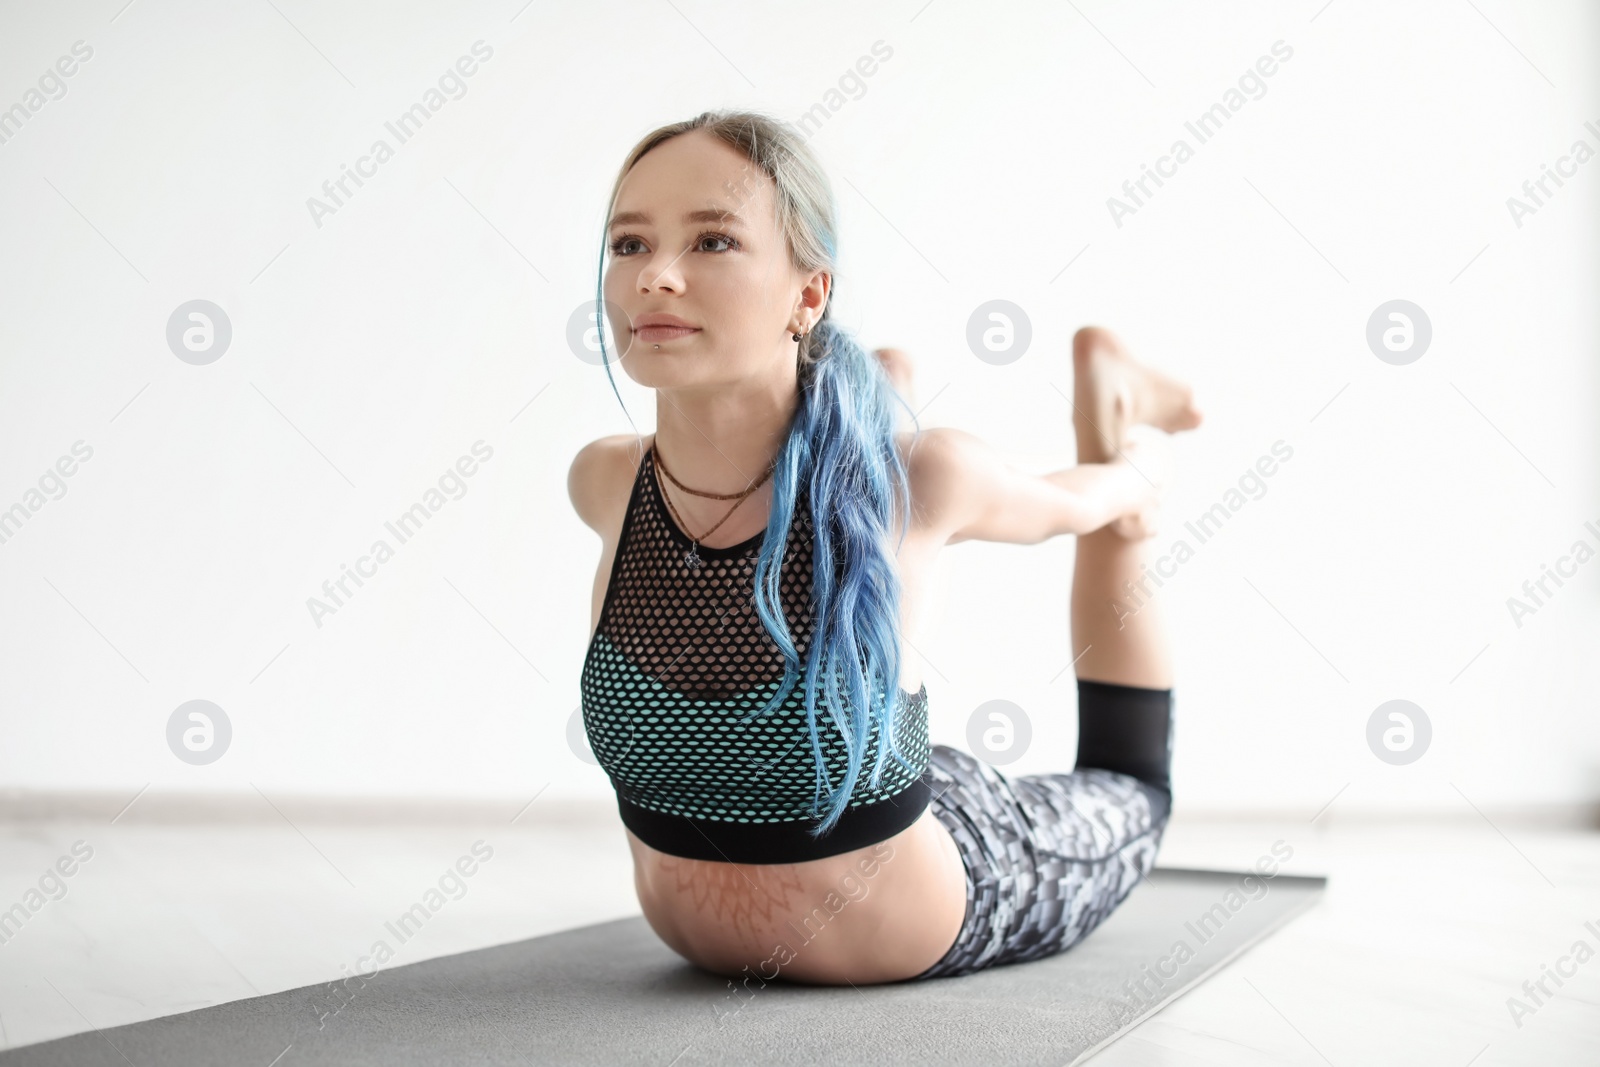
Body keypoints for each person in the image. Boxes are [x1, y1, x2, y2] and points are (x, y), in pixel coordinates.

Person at [568, 110, 1203, 986]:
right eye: (629, 244)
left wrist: (1136, 476)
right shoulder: (606, 483)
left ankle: (1114, 398)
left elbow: (1070, 503)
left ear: (809, 294)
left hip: (968, 867)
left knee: (1132, 788)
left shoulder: (919, 477)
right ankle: (885, 381)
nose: (656, 279)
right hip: (754, 891)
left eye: (712, 242)